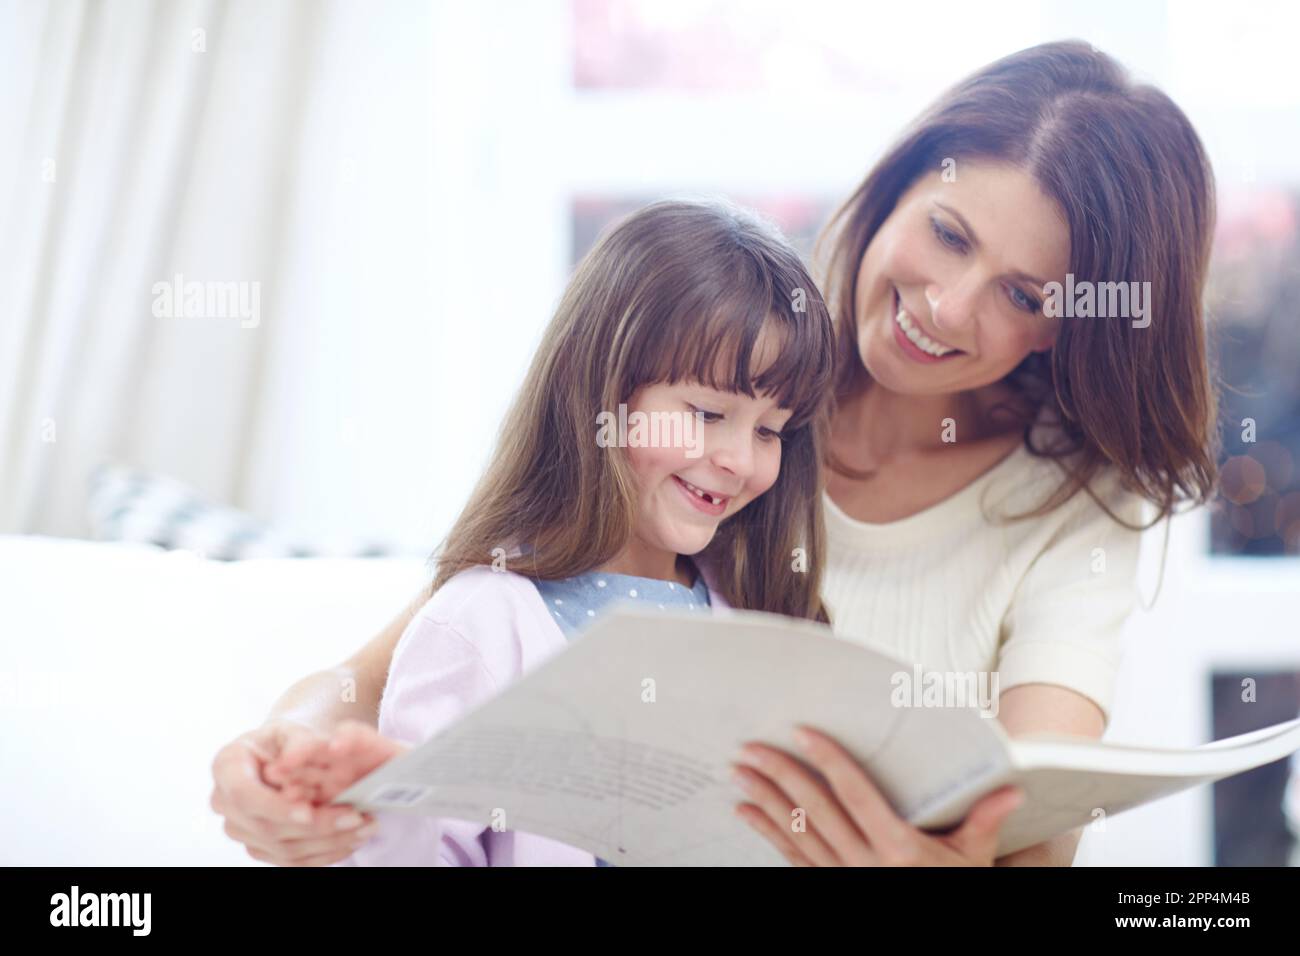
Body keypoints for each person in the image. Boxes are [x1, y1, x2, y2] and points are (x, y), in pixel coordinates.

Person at [211, 40, 1218, 867]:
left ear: (1071, 327)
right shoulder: (742, 366)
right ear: (896, 189)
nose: (945, 305)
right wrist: (281, 755)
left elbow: (1036, 842)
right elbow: (381, 671)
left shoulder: (1073, 501)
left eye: (1023, 294)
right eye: (947, 234)